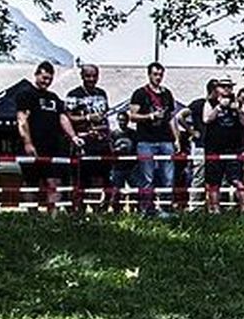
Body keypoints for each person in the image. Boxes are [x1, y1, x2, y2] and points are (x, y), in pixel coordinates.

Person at [16, 60, 79, 213]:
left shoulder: (54, 97)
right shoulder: (25, 94)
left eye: (50, 79)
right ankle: (32, 216)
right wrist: (28, 143)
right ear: (36, 75)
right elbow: (22, 119)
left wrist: (73, 136)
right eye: (44, 78)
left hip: (52, 147)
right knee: (31, 183)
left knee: (54, 182)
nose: (46, 82)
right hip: (32, 146)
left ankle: (53, 218)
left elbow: (63, 118)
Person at [126, 63, 179, 217]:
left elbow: (171, 118)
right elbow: (131, 116)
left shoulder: (167, 93)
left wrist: (176, 139)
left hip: (165, 139)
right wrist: (150, 116)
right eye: (155, 74)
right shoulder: (140, 93)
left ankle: (166, 208)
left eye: (160, 74)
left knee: (168, 176)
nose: (158, 77)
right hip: (145, 140)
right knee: (147, 176)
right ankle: (147, 209)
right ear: (149, 74)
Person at [66, 63, 117, 212]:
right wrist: (88, 118)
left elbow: (105, 117)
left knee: (103, 177)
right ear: (82, 76)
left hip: (101, 141)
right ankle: (79, 211)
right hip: (84, 141)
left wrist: (107, 134)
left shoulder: (102, 93)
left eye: (94, 76)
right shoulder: (74, 94)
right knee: (82, 179)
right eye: (88, 76)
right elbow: (68, 117)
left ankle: (99, 210)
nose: (91, 79)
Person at [200, 78, 244, 211]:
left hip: (233, 148)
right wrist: (219, 107)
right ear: (217, 88)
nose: (227, 89)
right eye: (223, 86)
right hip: (214, 148)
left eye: (229, 86)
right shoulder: (210, 103)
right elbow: (206, 119)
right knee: (213, 182)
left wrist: (239, 110)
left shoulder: (238, 103)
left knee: (237, 180)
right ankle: (215, 211)